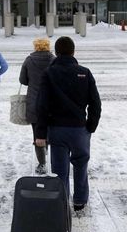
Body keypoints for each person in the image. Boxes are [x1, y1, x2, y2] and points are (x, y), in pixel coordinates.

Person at [35, 36, 101, 211]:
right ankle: (79, 200)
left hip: (57, 130)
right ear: (73, 51)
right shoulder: (85, 73)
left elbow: (41, 105)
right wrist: (91, 126)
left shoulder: (49, 74)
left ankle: (63, 201)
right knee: (80, 165)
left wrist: (40, 134)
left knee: (60, 170)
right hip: (79, 129)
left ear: (56, 53)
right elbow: (95, 102)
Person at [19, 37, 55, 174]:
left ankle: (42, 163)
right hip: (51, 102)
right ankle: (51, 152)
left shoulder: (29, 60)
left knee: (37, 134)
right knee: (51, 132)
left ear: (35, 47)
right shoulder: (53, 60)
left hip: (34, 102)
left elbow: (23, 80)